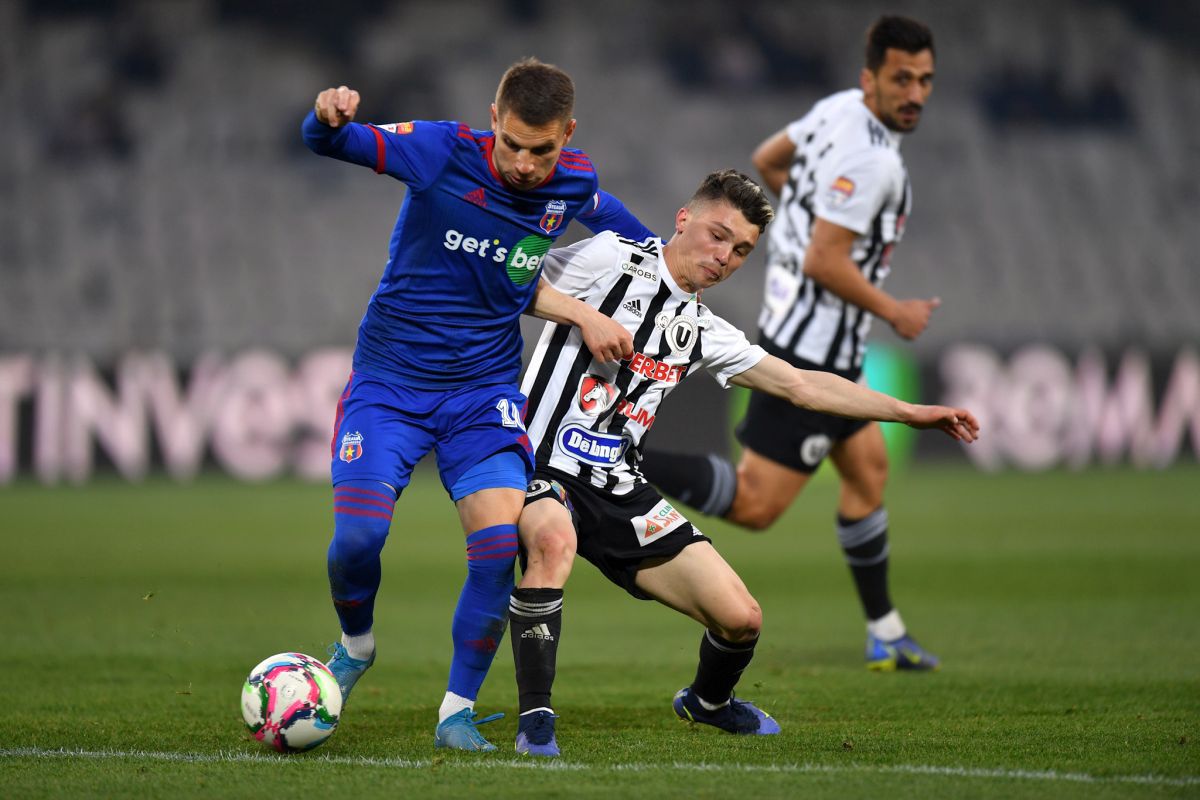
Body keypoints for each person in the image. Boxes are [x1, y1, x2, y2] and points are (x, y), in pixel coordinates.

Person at [507, 170, 979, 756]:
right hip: (537, 465)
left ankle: (707, 703)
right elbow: (506, 279)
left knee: (742, 618)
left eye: (741, 250)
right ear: (683, 218)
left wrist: (910, 412)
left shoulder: (702, 328)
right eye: (717, 235)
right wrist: (582, 315)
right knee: (553, 544)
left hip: (622, 489)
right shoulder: (609, 257)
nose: (724, 256)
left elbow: (802, 385)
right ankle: (536, 723)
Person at [301, 57, 652, 752]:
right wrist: (327, 115)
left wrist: (667, 266)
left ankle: (455, 711)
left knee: (496, 547)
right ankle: (357, 643)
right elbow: (329, 142)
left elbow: (627, 233)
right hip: (390, 383)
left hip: (483, 392)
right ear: (493, 119)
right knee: (359, 541)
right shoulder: (438, 150)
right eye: (513, 144)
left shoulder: (572, 180)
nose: (524, 164)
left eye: (541, 150)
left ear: (567, 136)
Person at [641, 16, 946, 672]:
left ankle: (885, 631)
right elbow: (823, 263)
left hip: (813, 338)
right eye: (901, 79)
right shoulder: (871, 160)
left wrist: (806, 215)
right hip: (812, 351)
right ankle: (625, 457)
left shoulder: (835, 111)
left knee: (868, 471)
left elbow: (768, 158)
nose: (914, 92)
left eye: (924, 80)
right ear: (872, 78)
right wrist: (895, 311)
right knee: (755, 505)